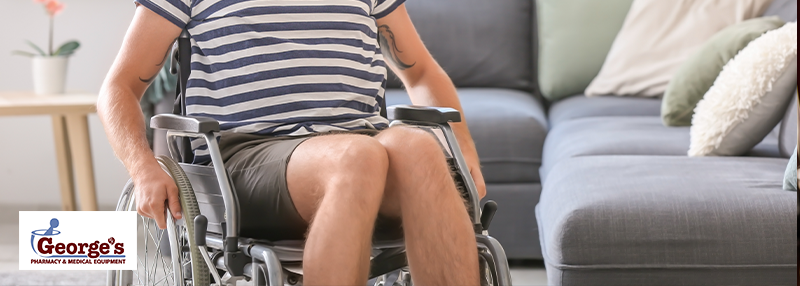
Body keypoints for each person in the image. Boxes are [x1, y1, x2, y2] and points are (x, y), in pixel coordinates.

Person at [97, 0, 487, 285]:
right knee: (357, 156)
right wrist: (142, 165)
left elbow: (419, 71)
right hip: (246, 154)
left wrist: (464, 147)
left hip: (364, 142)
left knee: (420, 148)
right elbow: (119, 87)